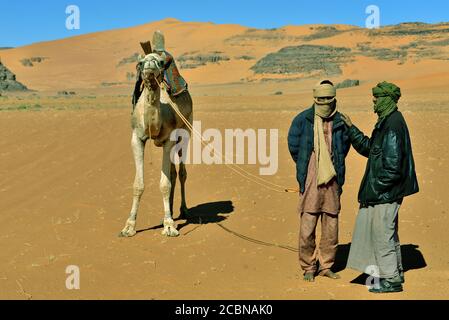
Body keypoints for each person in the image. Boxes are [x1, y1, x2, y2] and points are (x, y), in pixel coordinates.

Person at [341, 81, 419, 293]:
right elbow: (370, 148)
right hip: (386, 192)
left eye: (376, 98)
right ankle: (396, 271)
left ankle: (391, 280)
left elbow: (392, 168)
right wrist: (351, 128)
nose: (373, 101)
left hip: (386, 193)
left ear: (386, 99)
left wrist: (377, 190)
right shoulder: (387, 121)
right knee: (389, 233)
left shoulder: (392, 125)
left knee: (382, 234)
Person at [288, 80, 351, 282]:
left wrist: (332, 162)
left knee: (331, 227)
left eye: (328, 98)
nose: (325, 102)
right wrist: (308, 165)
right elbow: (294, 145)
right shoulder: (302, 120)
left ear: (334, 98)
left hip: (333, 178)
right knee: (307, 227)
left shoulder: (341, 121)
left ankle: (326, 266)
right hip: (311, 178)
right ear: (315, 98)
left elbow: (344, 147)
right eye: (321, 99)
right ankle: (308, 266)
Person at [132, 30, 190, 109]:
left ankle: (135, 103)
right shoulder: (160, 55)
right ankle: (135, 103)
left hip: (167, 81)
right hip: (152, 76)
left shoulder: (165, 56)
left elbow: (161, 66)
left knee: (138, 85)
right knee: (139, 83)